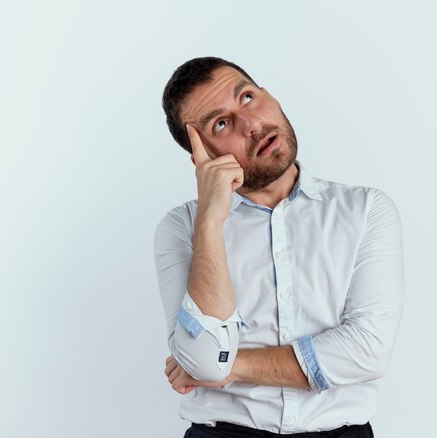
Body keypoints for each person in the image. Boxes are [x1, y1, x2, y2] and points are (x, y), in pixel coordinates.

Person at [154, 56, 405, 437]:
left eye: (249, 98)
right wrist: (210, 220)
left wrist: (227, 365)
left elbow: (367, 350)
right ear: (202, 157)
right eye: (221, 123)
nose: (252, 124)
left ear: (271, 96)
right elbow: (202, 360)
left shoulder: (366, 210)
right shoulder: (181, 228)